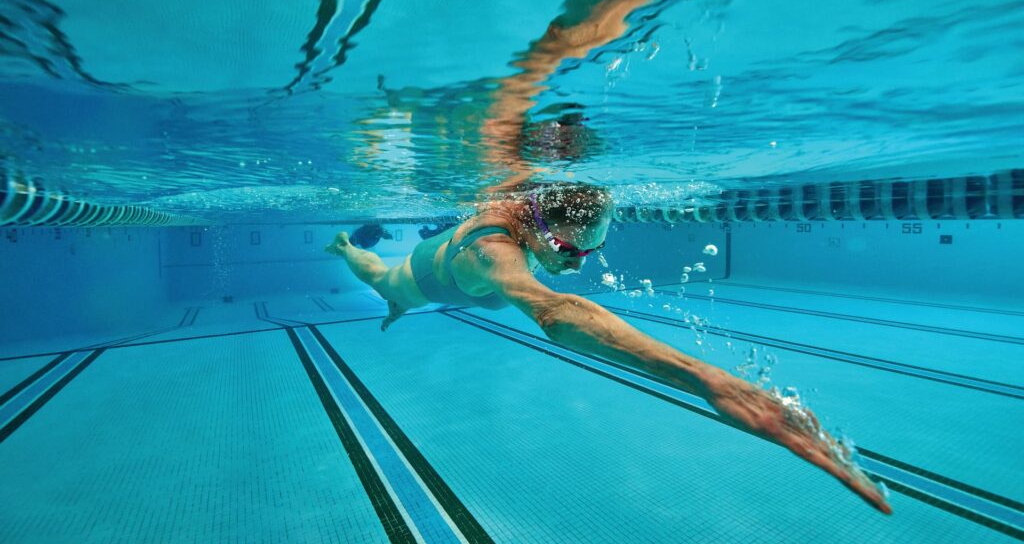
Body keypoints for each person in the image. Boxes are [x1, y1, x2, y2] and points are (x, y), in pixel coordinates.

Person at [325, 182, 892, 515]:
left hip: (464, 263)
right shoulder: (494, 253)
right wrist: (712, 381)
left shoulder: (539, 216)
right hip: (426, 278)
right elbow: (556, 312)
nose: (579, 265)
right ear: (541, 231)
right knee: (379, 277)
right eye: (574, 251)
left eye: (593, 251)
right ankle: (344, 243)